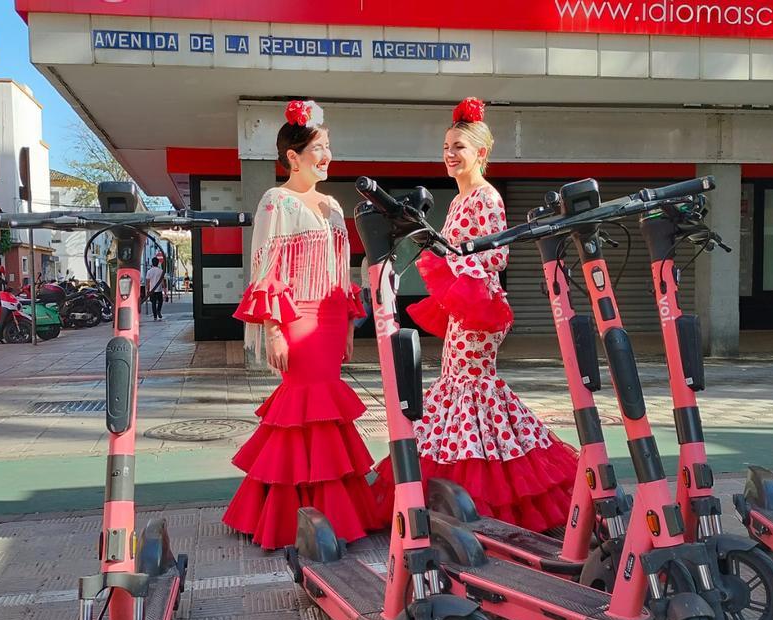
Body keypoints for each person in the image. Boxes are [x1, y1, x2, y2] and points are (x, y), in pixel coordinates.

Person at [372, 98, 580, 532]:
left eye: (459, 147)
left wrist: (451, 263)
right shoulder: (460, 199)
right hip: (464, 307)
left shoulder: (485, 196)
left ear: (481, 152)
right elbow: (454, 252)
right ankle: (460, 486)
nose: (450, 154)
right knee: (462, 389)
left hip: (478, 308)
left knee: (470, 390)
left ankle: (484, 497)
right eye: (446, 146)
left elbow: (495, 255)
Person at [222, 99, 380, 549]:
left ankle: (335, 514)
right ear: (293, 156)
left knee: (326, 415)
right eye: (318, 147)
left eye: (329, 146)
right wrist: (273, 328)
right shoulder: (276, 201)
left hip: (330, 318)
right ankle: (290, 517)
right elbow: (266, 268)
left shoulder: (332, 206)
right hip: (294, 316)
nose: (327, 155)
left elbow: (341, 268)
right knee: (300, 411)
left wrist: (349, 325)